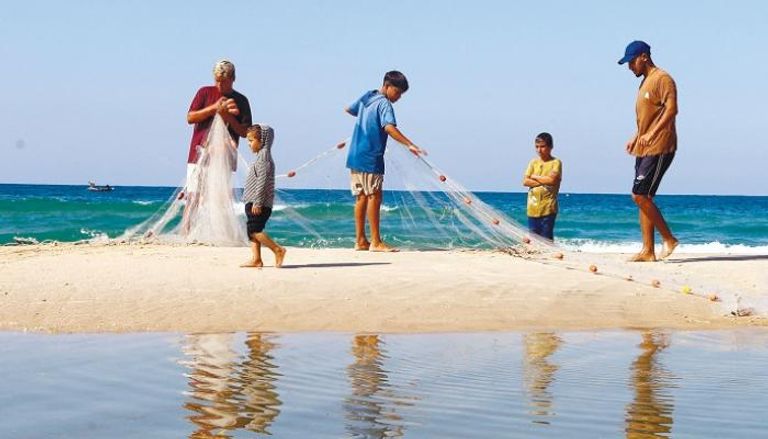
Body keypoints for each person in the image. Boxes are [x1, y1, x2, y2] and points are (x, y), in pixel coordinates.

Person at [344, 71, 425, 252]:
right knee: (375, 196)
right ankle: (376, 242)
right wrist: (410, 145)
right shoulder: (385, 104)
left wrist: (365, 120)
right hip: (371, 156)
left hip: (355, 154)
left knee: (361, 197)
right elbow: (389, 127)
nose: (398, 97)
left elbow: (349, 109)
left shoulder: (368, 96)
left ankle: (360, 241)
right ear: (387, 86)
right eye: (397, 92)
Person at [618, 41, 679, 262]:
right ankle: (648, 251)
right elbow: (648, 117)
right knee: (644, 197)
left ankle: (670, 239)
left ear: (644, 57)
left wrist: (653, 134)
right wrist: (637, 136)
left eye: (631, 61)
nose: (629, 67)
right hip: (644, 147)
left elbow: (672, 109)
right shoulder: (645, 83)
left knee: (639, 195)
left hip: (661, 146)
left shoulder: (663, 79)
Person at [183, 59, 252, 233]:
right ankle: (186, 232)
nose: (219, 84)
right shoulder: (204, 92)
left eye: (223, 81)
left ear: (233, 78)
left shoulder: (241, 100)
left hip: (225, 156)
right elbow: (190, 118)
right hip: (198, 153)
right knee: (193, 195)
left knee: (221, 197)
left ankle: (220, 233)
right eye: (216, 80)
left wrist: (228, 117)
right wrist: (214, 108)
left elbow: (245, 132)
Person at [240, 124, 286, 268]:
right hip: (252, 201)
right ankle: (256, 259)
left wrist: (258, 202)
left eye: (251, 140)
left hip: (258, 202)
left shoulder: (264, 157)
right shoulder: (260, 156)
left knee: (255, 230)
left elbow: (263, 180)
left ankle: (277, 249)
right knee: (251, 231)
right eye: (248, 141)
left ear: (263, 140)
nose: (249, 144)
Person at [522, 133, 562, 240]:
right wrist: (544, 180)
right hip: (532, 207)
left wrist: (534, 176)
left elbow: (552, 180)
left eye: (542, 146)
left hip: (548, 207)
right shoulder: (533, 162)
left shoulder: (555, 163)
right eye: (537, 147)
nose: (539, 150)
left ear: (550, 147)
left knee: (546, 238)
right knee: (534, 238)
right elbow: (525, 181)